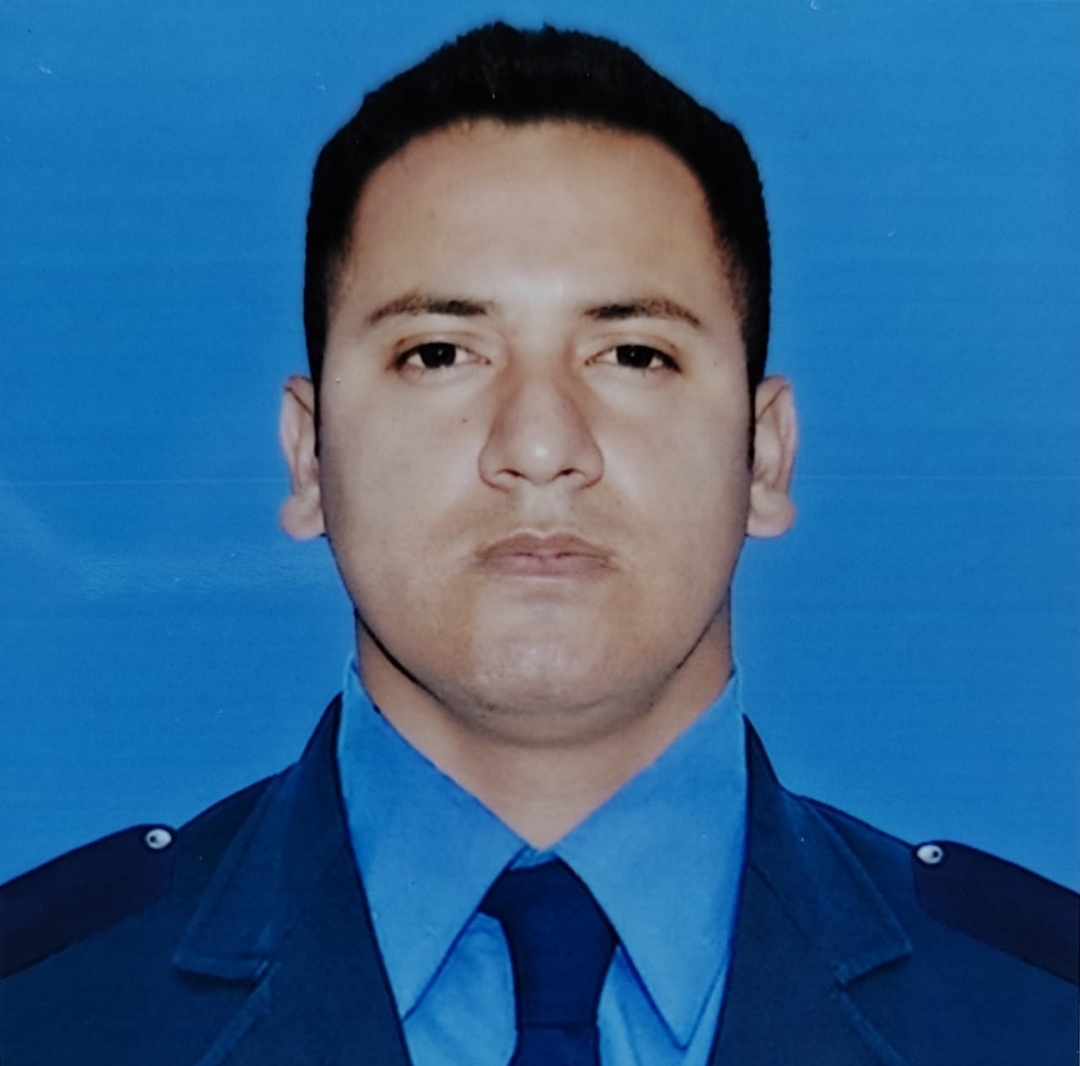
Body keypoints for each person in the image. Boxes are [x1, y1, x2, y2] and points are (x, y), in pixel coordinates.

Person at [1, 22, 1076, 1066]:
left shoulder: (1036, 1014)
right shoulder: (45, 1011)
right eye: (439, 352)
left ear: (765, 455)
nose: (540, 446)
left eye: (634, 354)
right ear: (308, 455)